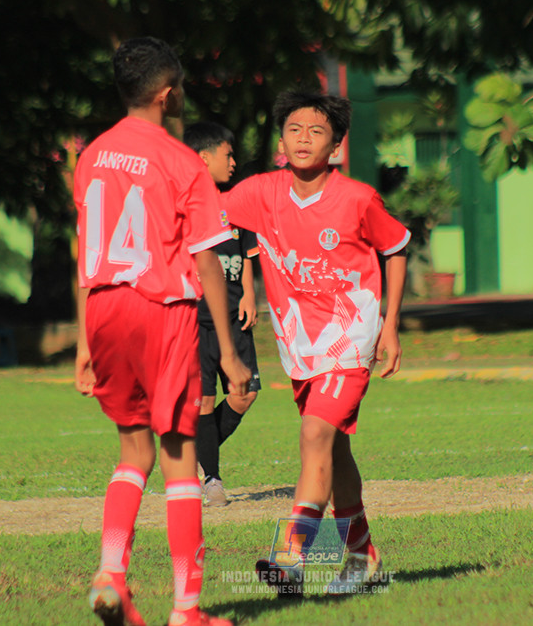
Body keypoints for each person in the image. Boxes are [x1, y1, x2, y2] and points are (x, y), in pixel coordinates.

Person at [73, 37, 248, 626]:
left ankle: (110, 574)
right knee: (179, 457)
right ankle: (188, 611)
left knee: (132, 450)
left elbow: (86, 250)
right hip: (161, 310)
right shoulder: (181, 162)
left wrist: (80, 342)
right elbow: (206, 262)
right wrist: (227, 350)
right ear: (168, 94)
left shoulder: (92, 155)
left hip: (103, 310)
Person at [219, 91, 409, 596]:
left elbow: (396, 247)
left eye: (317, 131)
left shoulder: (358, 199)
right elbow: (203, 220)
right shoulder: (260, 193)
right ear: (281, 139)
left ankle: (292, 558)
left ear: (337, 146)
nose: (304, 139)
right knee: (335, 449)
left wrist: (389, 325)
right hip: (300, 347)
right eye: (295, 129)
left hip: (351, 339)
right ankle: (363, 560)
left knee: (313, 436)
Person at [183, 121, 262, 507]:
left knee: (246, 394)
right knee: (203, 401)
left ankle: (189, 453)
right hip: (196, 320)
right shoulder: (184, 207)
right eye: (228, 154)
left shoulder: (236, 205)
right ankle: (212, 479)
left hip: (234, 317)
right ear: (204, 157)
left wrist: (250, 293)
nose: (234, 162)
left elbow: (249, 256)